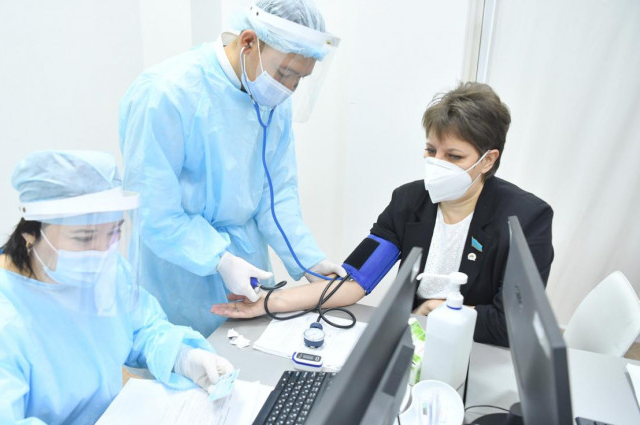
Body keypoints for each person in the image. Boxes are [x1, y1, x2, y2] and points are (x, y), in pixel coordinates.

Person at [0, 150, 246, 425]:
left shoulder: (99, 270)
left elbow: (141, 326)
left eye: (113, 233)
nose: (102, 251)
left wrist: (182, 355)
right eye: (83, 237)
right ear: (30, 233)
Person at [212, 82, 554, 348]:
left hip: (480, 351)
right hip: (415, 343)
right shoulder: (409, 202)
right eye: (431, 150)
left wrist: (443, 312)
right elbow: (353, 283)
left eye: (454, 156)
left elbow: (514, 323)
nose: (437, 164)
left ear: (488, 160)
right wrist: (268, 301)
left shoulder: (526, 219)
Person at [119, 0, 345, 337]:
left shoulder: (270, 100)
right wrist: (219, 260)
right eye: (285, 73)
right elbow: (154, 211)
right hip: (178, 270)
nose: (288, 88)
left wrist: (308, 260)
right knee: (184, 360)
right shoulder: (165, 94)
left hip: (246, 263)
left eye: (300, 79)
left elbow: (275, 195)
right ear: (248, 42)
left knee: (250, 358)